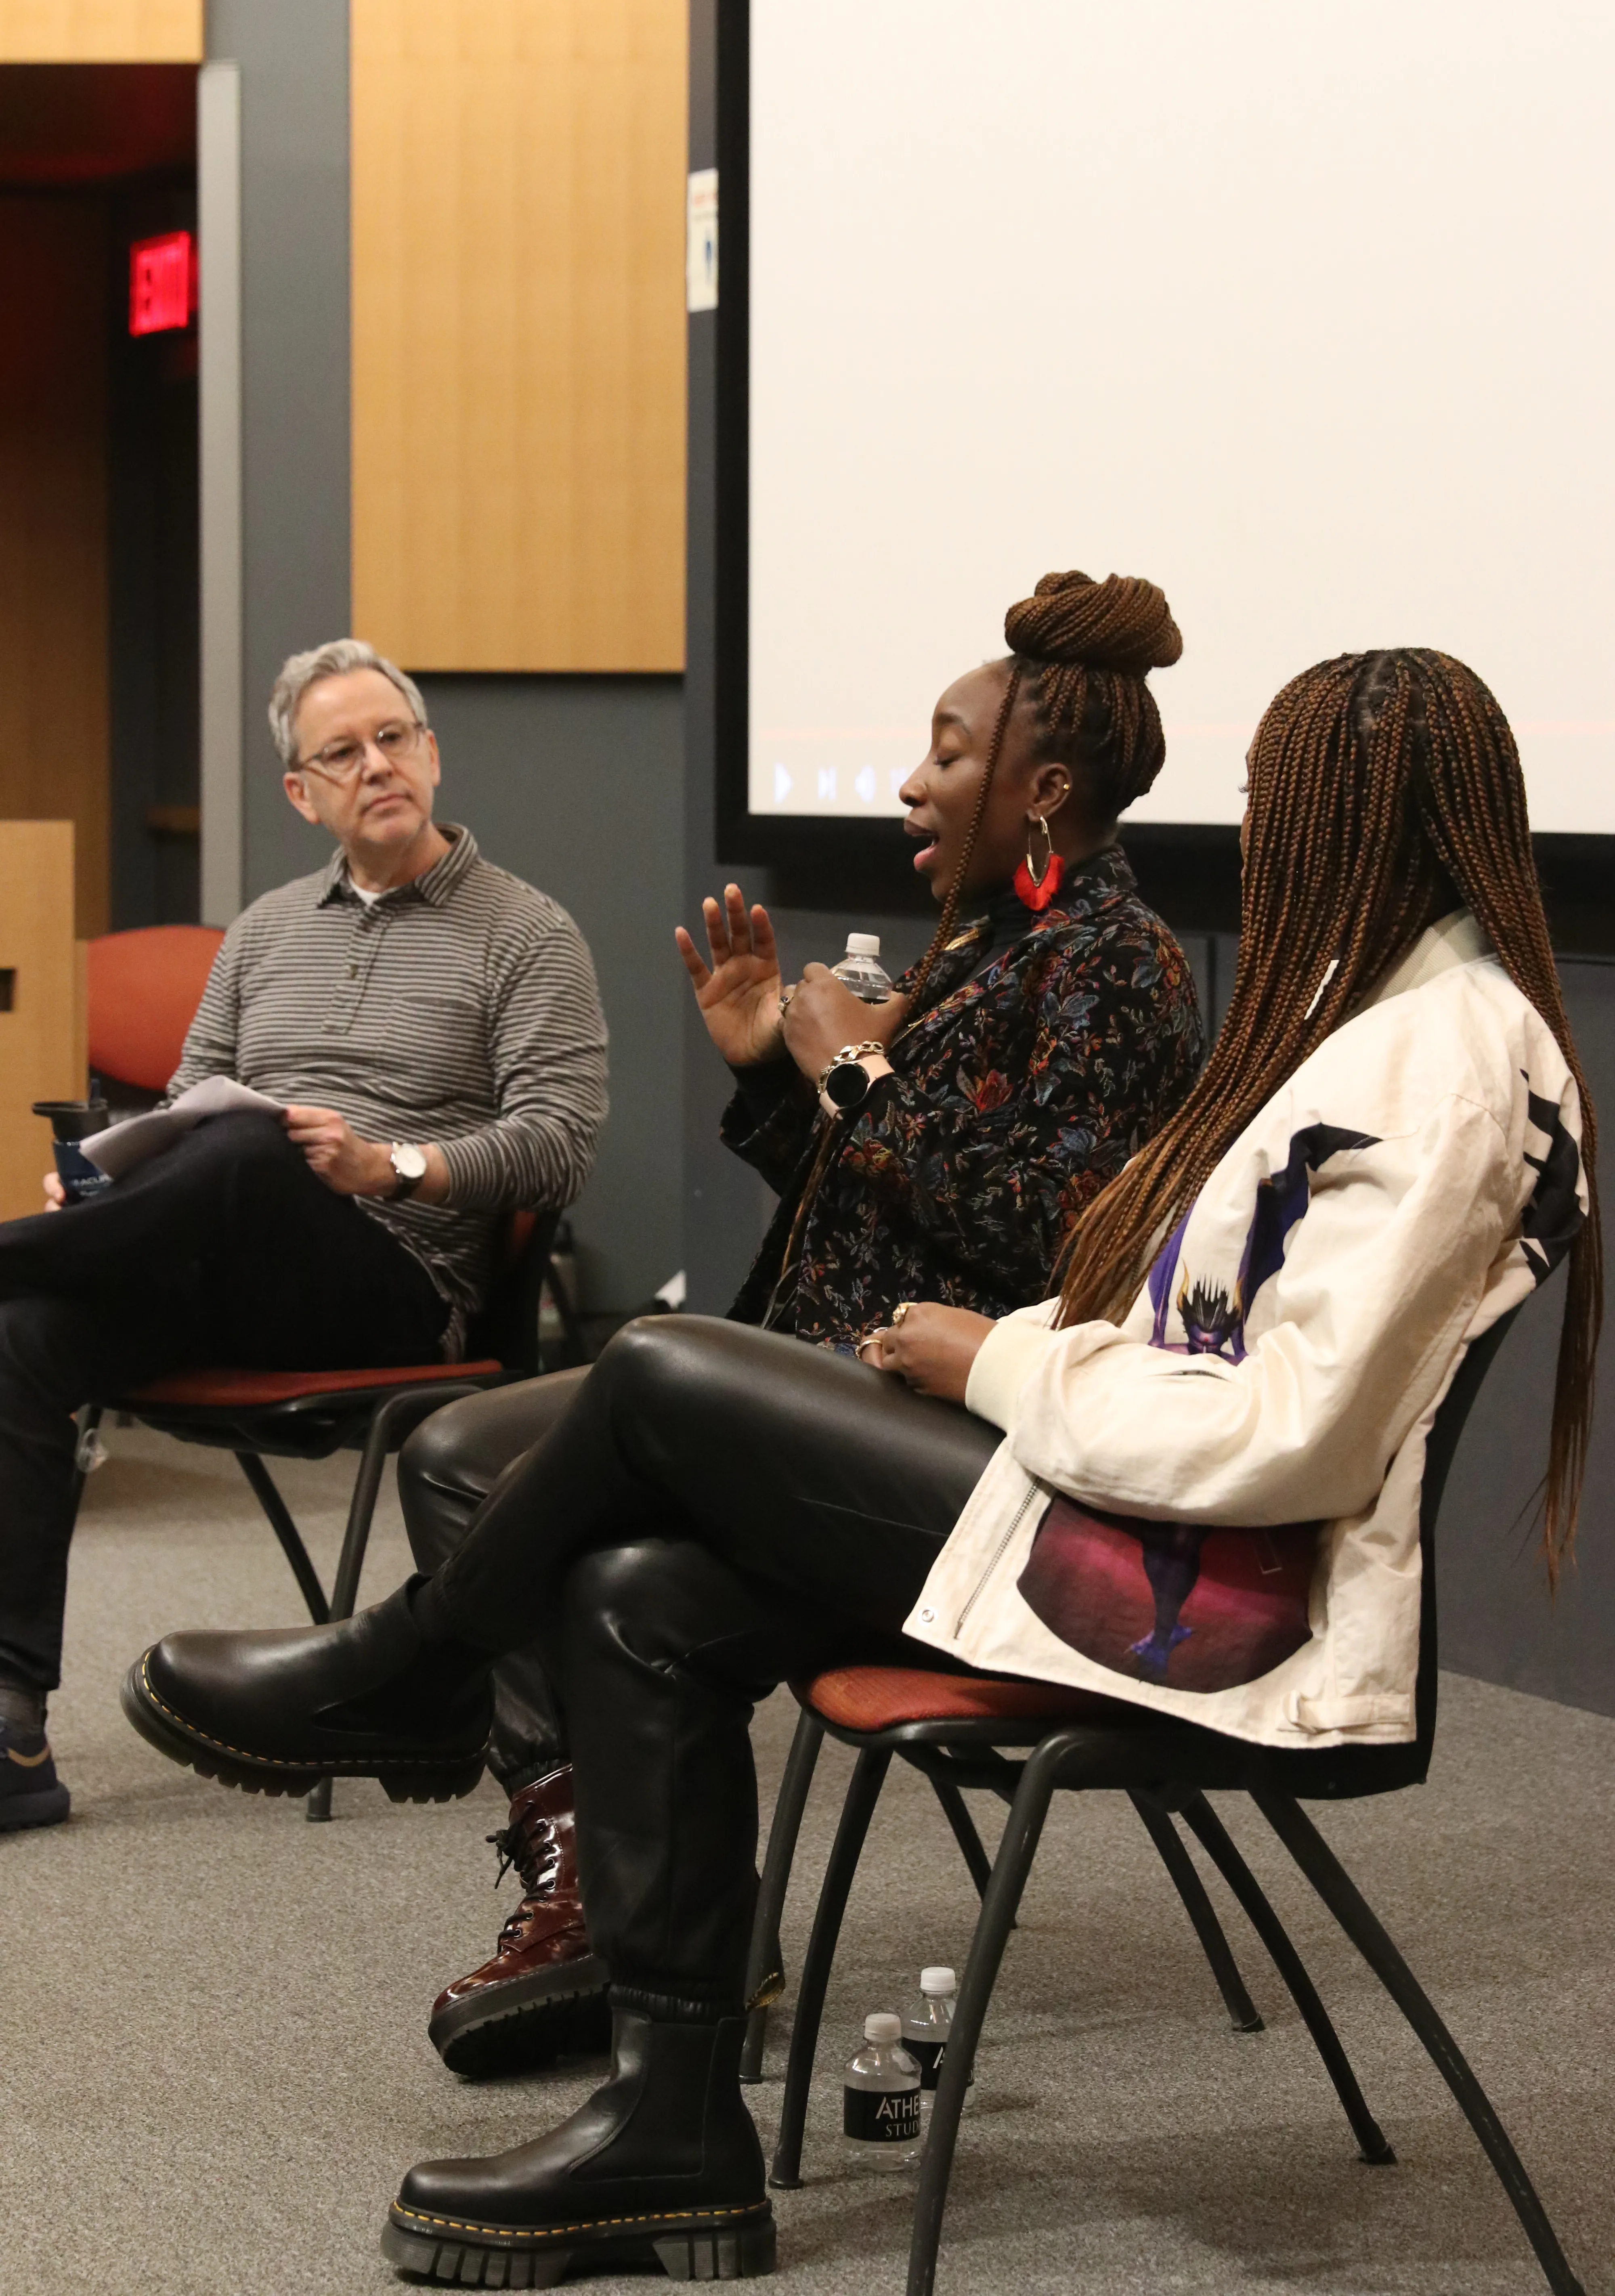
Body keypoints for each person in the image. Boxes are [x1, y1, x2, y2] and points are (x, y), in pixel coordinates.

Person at [124, 645, 1598, 2287]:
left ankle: (409, 1668)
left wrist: (1005, 1357)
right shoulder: (1375, 1032)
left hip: (1191, 1592)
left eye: (1279, 807)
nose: (1255, 837)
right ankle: (673, 2136)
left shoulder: (1441, 1067)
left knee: (661, 1367)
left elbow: (1279, 1435)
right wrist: (979, 1306)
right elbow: (1159, 1313)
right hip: (1112, 1504)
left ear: (1358, 821)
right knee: (636, 1591)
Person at [396, 569, 1203, 2074]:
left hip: (930, 1438)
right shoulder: (989, 949)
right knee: (454, 1455)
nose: (911, 777)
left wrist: (853, 1082)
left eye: (951, 754)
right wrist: (779, 1076)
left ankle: (613, 1896)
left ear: (1041, 792)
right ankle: (587, 1880)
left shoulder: (1120, 968)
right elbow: (877, 1196)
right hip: (823, 1378)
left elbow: (1053, 1242)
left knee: (577, 1523)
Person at [0, 640, 607, 1837]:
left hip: (391, 1277)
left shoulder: (527, 934)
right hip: (226, 1255)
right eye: (344, 751)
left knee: (246, 1152)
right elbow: (186, 1107)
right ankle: (13, 1726)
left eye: (394, 738)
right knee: (27, 1329)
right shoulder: (268, 932)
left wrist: (395, 1164)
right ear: (303, 791)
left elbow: (561, 1140)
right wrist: (108, 1184)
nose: (376, 764)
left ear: (431, 755)